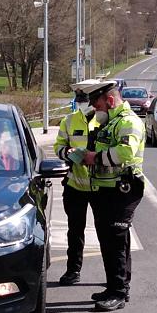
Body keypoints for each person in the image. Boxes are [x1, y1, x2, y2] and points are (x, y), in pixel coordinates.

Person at [82, 81, 145, 312]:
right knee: (109, 242)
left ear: (109, 101)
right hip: (106, 190)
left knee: (116, 242)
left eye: (97, 105)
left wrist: (94, 158)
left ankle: (118, 292)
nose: (95, 109)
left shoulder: (128, 122)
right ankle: (115, 286)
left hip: (122, 191)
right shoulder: (111, 122)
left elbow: (125, 151)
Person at [53, 80, 104, 286]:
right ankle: (73, 270)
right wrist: (67, 153)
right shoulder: (69, 120)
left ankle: (115, 277)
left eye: (85, 99)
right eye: (79, 99)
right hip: (76, 186)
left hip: (103, 187)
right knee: (75, 231)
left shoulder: (106, 121)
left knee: (108, 234)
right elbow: (59, 146)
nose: (82, 102)